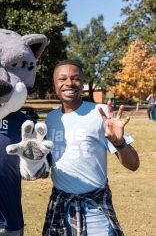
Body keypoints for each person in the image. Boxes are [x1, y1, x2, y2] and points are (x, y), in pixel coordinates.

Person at [42, 60, 140, 236]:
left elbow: (133, 164)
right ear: (54, 84)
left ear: (82, 83)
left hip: (94, 209)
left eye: (76, 78)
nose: (69, 83)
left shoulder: (100, 113)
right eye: (62, 79)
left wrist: (119, 143)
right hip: (60, 206)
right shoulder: (50, 119)